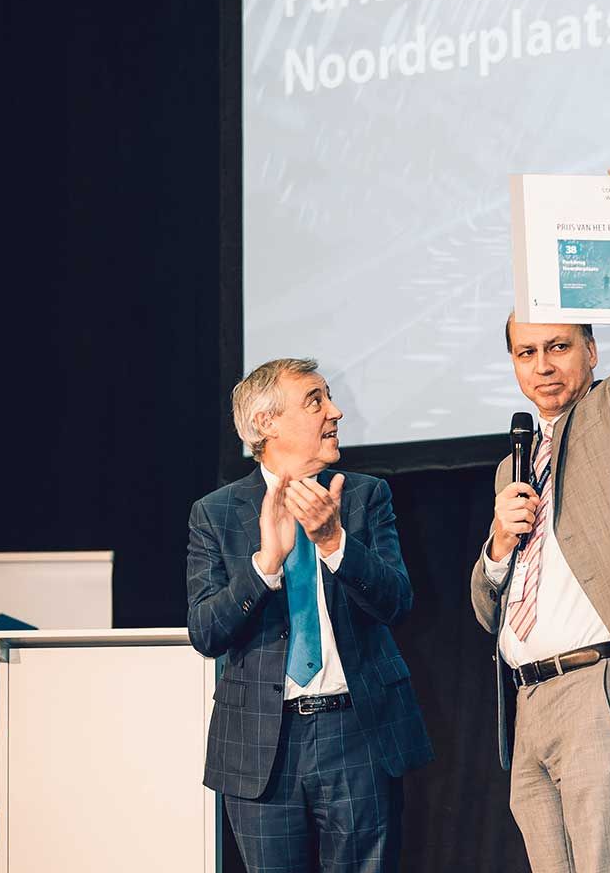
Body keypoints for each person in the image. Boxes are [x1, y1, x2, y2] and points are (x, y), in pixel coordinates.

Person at [470, 164, 610, 873]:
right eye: (527, 353)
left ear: (591, 351)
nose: (543, 366)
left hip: (601, 686)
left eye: (559, 347)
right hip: (528, 702)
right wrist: (496, 549)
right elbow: (487, 608)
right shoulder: (513, 465)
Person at [187, 358, 432, 873]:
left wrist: (333, 541)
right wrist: (265, 566)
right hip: (262, 745)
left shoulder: (364, 496)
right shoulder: (216, 512)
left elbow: (397, 602)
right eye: (315, 401)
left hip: (357, 734)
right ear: (266, 423)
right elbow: (206, 632)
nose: (335, 412)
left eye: (329, 398)